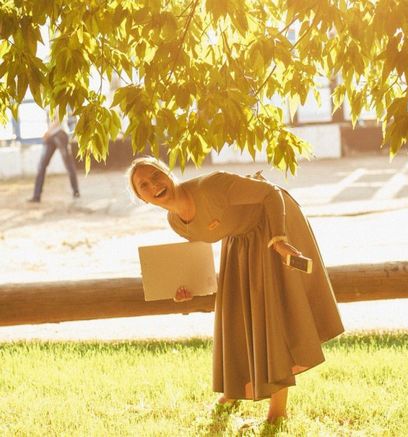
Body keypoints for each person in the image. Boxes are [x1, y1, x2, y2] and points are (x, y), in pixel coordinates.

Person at [127, 156, 344, 423]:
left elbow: (271, 194)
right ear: (143, 199)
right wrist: (186, 288)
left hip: (274, 225)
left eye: (156, 175)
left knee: (272, 314)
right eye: (144, 185)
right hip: (239, 237)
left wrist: (279, 240)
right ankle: (234, 391)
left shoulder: (211, 186)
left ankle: (278, 411)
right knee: (235, 314)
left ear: (168, 173)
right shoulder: (174, 222)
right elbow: (200, 257)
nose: (154, 185)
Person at [29, 114, 80, 202]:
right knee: (42, 165)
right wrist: (48, 133)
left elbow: (59, 119)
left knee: (68, 164)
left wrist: (48, 132)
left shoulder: (56, 101)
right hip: (50, 136)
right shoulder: (46, 103)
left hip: (60, 134)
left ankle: (76, 191)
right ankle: (36, 195)